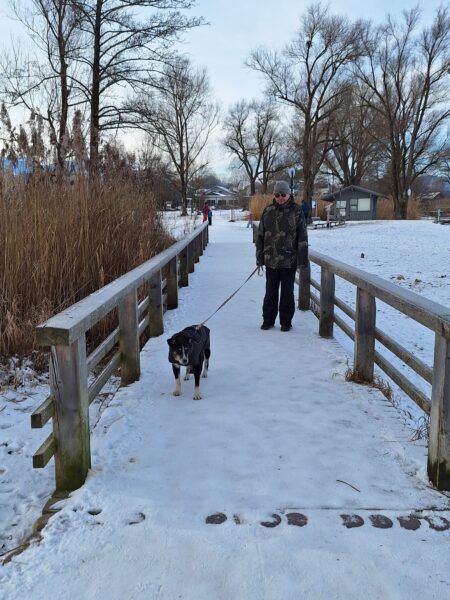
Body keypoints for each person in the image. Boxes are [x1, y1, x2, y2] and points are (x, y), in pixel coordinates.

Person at [256, 180, 308, 332]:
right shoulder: (268, 210)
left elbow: (303, 236)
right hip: (271, 260)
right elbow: (260, 236)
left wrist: (302, 260)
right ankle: (268, 320)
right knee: (270, 292)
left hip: (289, 261)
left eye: (283, 195)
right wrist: (259, 257)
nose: (280, 197)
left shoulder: (297, 211)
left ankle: (286, 322)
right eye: (277, 195)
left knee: (287, 293)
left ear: (289, 194)